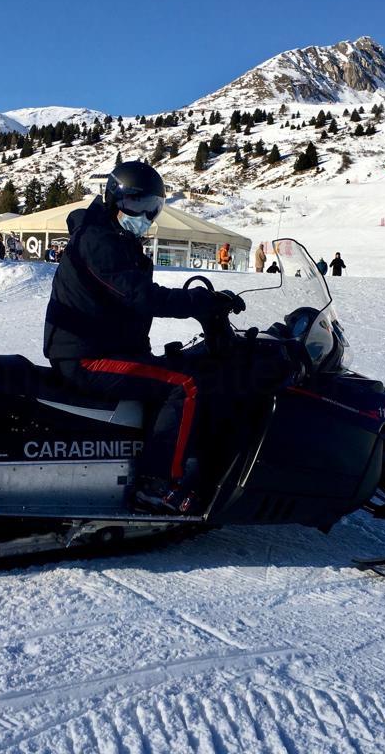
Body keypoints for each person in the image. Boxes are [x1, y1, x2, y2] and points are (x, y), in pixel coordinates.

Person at [43, 161, 245, 514]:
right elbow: (141, 296)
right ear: (113, 200)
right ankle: (156, 483)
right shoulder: (99, 240)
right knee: (184, 385)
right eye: (137, 205)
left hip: (99, 346)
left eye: (153, 208)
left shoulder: (113, 235)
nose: (145, 216)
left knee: (176, 368)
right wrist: (200, 302)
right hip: (85, 356)